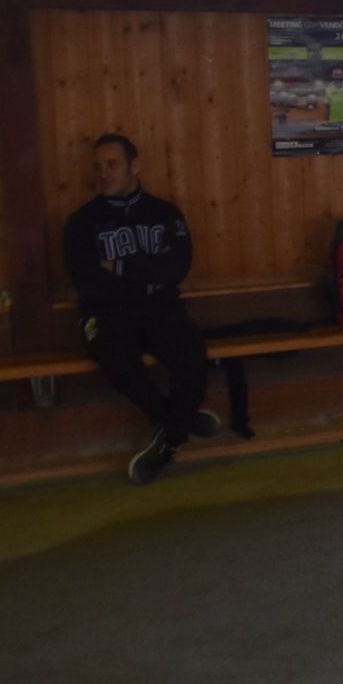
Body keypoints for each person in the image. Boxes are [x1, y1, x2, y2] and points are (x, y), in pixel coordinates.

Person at [62, 133, 218, 485]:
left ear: (134, 166)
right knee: (116, 359)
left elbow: (177, 267)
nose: (103, 173)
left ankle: (168, 441)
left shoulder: (165, 214)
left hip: (160, 308)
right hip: (107, 313)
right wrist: (148, 272)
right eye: (98, 167)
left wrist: (119, 267)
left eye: (112, 165)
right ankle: (178, 423)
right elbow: (87, 279)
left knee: (193, 357)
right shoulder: (80, 223)